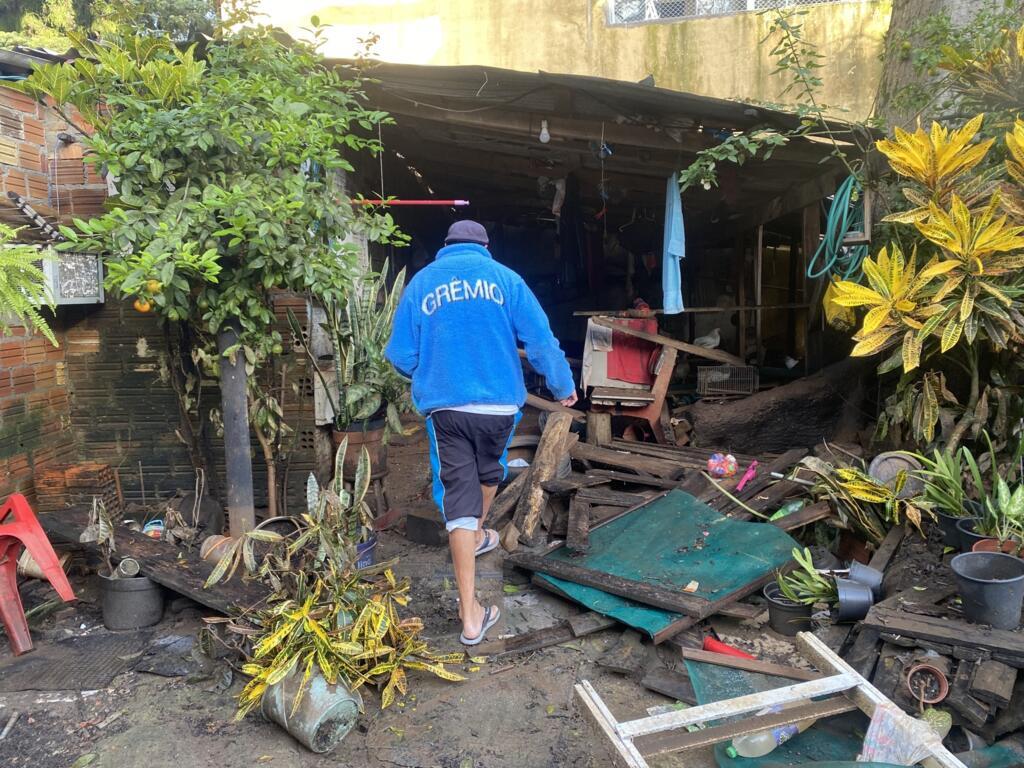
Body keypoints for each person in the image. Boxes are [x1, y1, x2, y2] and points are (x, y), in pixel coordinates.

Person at [386, 220, 577, 645]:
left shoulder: (422, 283)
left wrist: (431, 372)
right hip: (498, 407)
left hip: (447, 409)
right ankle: (474, 534)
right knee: (490, 471)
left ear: (447, 245)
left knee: (458, 496)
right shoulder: (506, 280)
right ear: (485, 247)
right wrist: (563, 387)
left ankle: (470, 613)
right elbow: (542, 341)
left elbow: (400, 354)